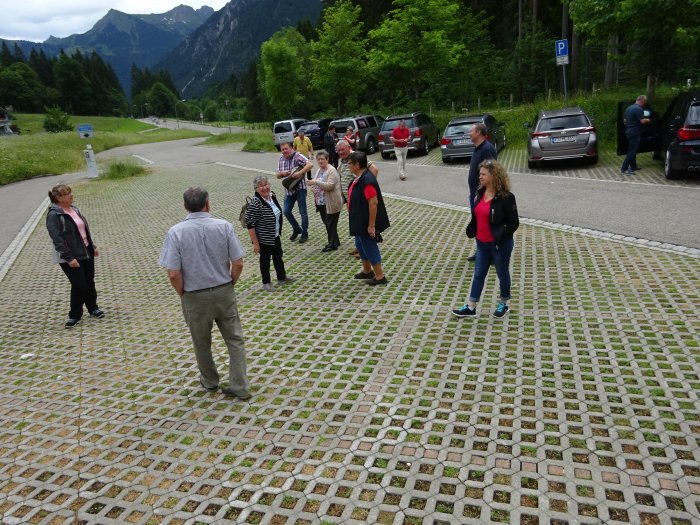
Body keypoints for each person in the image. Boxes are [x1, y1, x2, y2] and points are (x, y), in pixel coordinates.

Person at [159, 186, 251, 400]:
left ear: (185, 206)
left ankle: (210, 382)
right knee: (235, 340)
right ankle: (240, 386)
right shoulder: (224, 226)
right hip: (223, 291)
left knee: (201, 342)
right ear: (207, 204)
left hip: (194, 296)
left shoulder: (176, 232)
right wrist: (230, 283)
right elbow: (238, 263)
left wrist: (183, 293)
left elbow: (173, 273)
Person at [452, 160, 519, 319]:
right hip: (481, 243)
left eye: (483, 174)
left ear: (494, 176)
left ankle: (504, 303)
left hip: (499, 245)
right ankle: (471, 307)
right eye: (479, 173)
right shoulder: (480, 193)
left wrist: (501, 237)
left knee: (502, 274)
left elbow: (514, 222)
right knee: (478, 274)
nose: (480, 177)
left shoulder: (506, 197)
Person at [46, 184, 105, 328]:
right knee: (79, 285)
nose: (71, 195)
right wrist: (69, 258)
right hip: (71, 256)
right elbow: (57, 239)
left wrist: (92, 246)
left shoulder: (75, 209)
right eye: (68, 194)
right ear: (59, 198)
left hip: (86, 251)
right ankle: (74, 315)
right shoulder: (54, 215)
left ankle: (93, 308)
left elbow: (83, 230)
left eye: (70, 192)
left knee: (89, 282)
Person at [347, 151, 390, 286]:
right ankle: (367, 271)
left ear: (357, 165)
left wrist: (371, 226)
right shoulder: (359, 177)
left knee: (369, 246)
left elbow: (373, 203)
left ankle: (380, 276)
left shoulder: (367, 181)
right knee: (360, 245)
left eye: (349, 163)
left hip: (366, 221)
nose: (348, 166)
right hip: (359, 218)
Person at [245, 175, 294, 291]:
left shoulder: (272, 196)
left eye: (266, 184)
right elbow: (250, 225)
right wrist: (255, 243)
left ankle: (282, 277)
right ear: (256, 189)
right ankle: (266, 282)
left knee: (278, 256)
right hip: (264, 238)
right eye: (261, 186)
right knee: (265, 260)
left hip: (275, 235)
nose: (265, 187)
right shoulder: (256, 203)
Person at [336, 140, 379, 257]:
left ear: (348, 147)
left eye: (342, 149)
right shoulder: (343, 160)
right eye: (338, 150)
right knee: (356, 224)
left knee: (362, 224)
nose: (340, 152)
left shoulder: (355, 157)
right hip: (350, 200)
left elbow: (374, 169)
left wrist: (368, 186)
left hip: (359, 200)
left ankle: (365, 249)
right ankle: (359, 246)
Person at [466, 122, 497, 262]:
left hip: (483, 195)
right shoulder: (478, 148)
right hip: (476, 193)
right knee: (478, 224)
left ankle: (491, 254)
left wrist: (483, 194)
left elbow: (492, 172)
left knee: (486, 224)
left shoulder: (487, 149)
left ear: (478, 132)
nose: (469, 133)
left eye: (471, 131)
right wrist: (473, 192)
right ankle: (481, 251)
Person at [276, 142, 313, 243]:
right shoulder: (281, 160)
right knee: (286, 211)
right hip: (289, 191)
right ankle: (297, 228)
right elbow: (277, 175)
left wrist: (300, 173)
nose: (285, 151)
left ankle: (304, 233)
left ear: (291, 148)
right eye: (282, 149)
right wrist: (282, 174)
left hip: (300, 189)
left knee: (303, 212)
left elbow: (310, 164)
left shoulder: (297, 156)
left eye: (286, 148)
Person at [307, 150, 342, 252]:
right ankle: (335, 241)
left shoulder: (332, 170)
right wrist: (314, 187)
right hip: (321, 202)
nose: (320, 161)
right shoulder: (319, 170)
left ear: (327, 159)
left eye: (322, 159)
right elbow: (317, 183)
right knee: (327, 222)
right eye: (318, 159)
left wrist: (316, 182)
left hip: (331, 202)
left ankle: (332, 244)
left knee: (330, 223)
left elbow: (330, 186)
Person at [621, 95, 650, 175]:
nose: (644, 104)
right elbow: (642, 121)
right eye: (644, 102)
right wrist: (648, 120)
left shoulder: (628, 108)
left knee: (632, 149)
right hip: (635, 132)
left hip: (628, 131)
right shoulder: (638, 109)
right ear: (642, 101)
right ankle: (624, 169)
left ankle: (633, 166)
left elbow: (624, 120)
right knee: (632, 151)